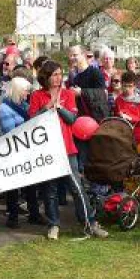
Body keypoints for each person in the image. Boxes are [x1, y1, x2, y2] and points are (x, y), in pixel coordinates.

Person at [30, 60, 106, 239]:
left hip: (67, 148)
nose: (58, 78)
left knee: (76, 187)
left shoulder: (68, 94)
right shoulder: (37, 95)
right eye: (54, 74)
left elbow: (73, 119)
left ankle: (90, 222)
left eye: (59, 74)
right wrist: (46, 108)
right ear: (46, 77)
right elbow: (32, 120)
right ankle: (53, 224)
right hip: (47, 149)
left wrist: (59, 107)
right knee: (50, 190)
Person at [0, 78, 36, 229]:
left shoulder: (23, 105)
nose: (28, 93)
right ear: (18, 90)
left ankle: (34, 214)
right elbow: (10, 131)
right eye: (26, 90)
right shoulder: (5, 108)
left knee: (31, 184)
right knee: (13, 185)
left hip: (26, 149)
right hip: (12, 151)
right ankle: (13, 216)